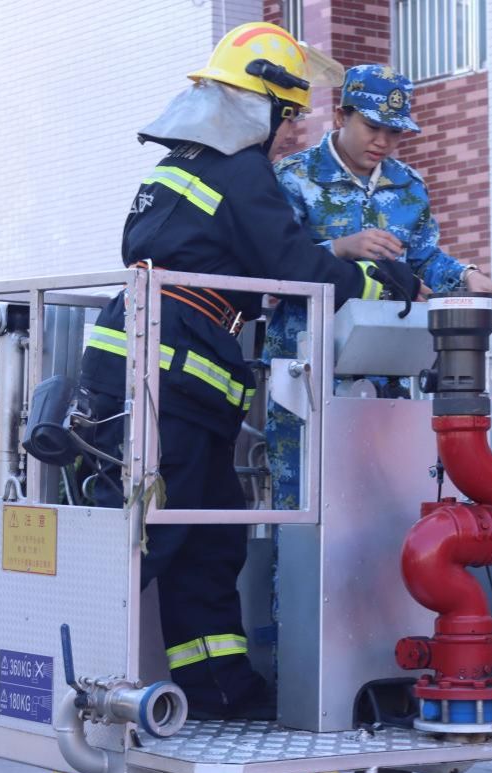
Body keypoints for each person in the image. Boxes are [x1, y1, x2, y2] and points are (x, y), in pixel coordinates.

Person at [77, 24, 419, 721]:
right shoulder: (241, 172)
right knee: (157, 537)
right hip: (169, 378)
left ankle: (220, 687)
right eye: (288, 115)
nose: (294, 131)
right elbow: (291, 264)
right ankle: (79, 678)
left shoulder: (180, 165)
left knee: (210, 536)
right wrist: (379, 284)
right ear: (256, 106)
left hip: (162, 372)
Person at [265, 64, 492, 510]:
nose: (383, 142)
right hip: (308, 366)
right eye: (372, 127)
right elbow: (275, 261)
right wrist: (340, 248)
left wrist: (468, 277)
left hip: (384, 364)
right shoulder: (293, 175)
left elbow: (424, 258)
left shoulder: (408, 185)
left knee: (383, 497)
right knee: (303, 493)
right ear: (341, 116)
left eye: (394, 132)